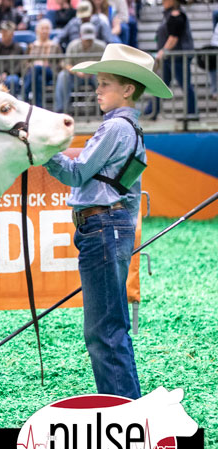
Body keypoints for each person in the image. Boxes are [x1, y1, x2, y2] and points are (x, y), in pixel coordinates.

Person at [43, 44, 172, 399]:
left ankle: (125, 411)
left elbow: (77, 172)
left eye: (104, 84)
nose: (96, 90)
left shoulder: (115, 127)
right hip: (111, 228)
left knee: (104, 330)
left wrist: (42, 150)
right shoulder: (130, 127)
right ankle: (126, 406)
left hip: (102, 229)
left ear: (127, 89)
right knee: (109, 326)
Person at [146, 0, 196, 120]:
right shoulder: (169, 14)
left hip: (178, 57)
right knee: (159, 85)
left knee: (185, 85)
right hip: (170, 58)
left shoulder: (177, 15)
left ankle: (192, 113)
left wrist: (163, 51)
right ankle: (150, 112)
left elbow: (173, 38)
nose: (163, 1)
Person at [54, 22, 105, 114]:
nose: (89, 41)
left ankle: (105, 108)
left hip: (95, 75)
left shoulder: (101, 46)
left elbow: (105, 65)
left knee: (105, 79)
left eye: (90, 39)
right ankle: (61, 109)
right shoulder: (72, 45)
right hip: (76, 75)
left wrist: (93, 71)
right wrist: (77, 72)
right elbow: (67, 64)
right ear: (80, 36)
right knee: (63, 76)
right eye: (86, 39)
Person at [23, 18, 60, 108]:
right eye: (42, 28)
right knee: (38, 79)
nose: (44, 31)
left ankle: (24, 95)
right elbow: (25, 63)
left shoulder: (55, 46)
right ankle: (39, 107)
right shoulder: (31, 46)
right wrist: (35, 64)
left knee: (37, 68)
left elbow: (59, 63)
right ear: (37, 30)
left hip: (49, 72)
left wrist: (45, 64)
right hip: (34, 74)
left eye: (47, 28)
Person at [0, 20, 23, 96]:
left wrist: (6, 74)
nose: (4, 33)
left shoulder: (18, 48)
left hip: (11, 75)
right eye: (3, 31)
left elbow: (18, 66)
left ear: (12, 34)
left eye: (6, 32)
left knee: (13, 80)